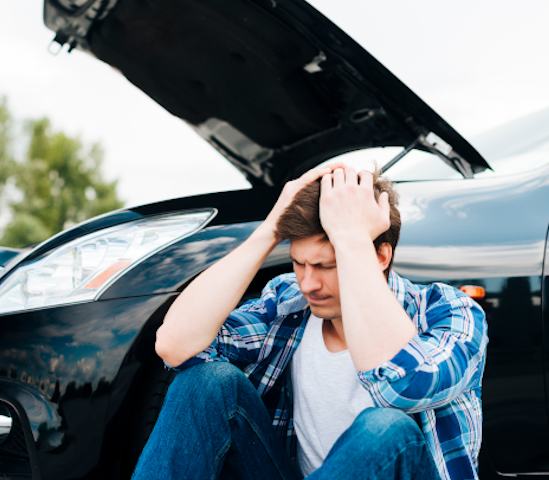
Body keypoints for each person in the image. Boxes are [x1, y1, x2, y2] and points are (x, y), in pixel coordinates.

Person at [132, 165, 488, 480]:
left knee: (385, 427)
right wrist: (270, 228)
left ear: (380, 256)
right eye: (299, 264)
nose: (308, 283)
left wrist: (351, 238)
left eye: (326, 266)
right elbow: (175, 345)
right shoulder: (290, 305)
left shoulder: (448, 311)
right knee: (207, 382)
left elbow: (403, 386)